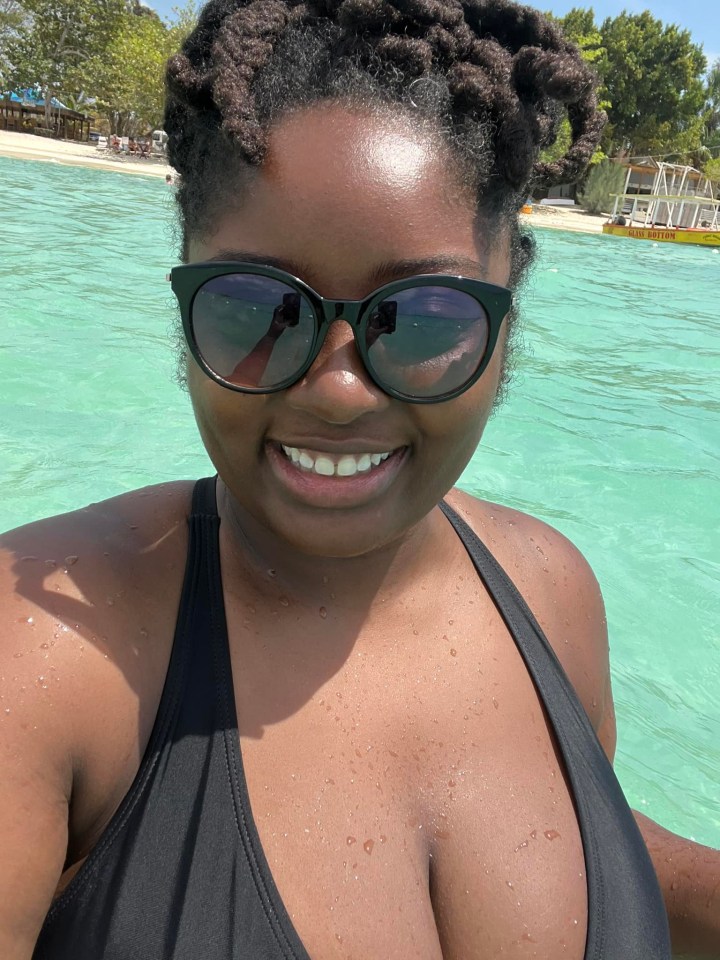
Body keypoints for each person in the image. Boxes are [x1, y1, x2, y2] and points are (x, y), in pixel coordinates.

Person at [2, 0, 718, 957]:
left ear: (508, 325)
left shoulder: (552, 590)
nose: (337, 391)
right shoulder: (42, 663)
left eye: (422, 317)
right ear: (182, 293)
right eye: (258, 307)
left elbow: (586, 840)